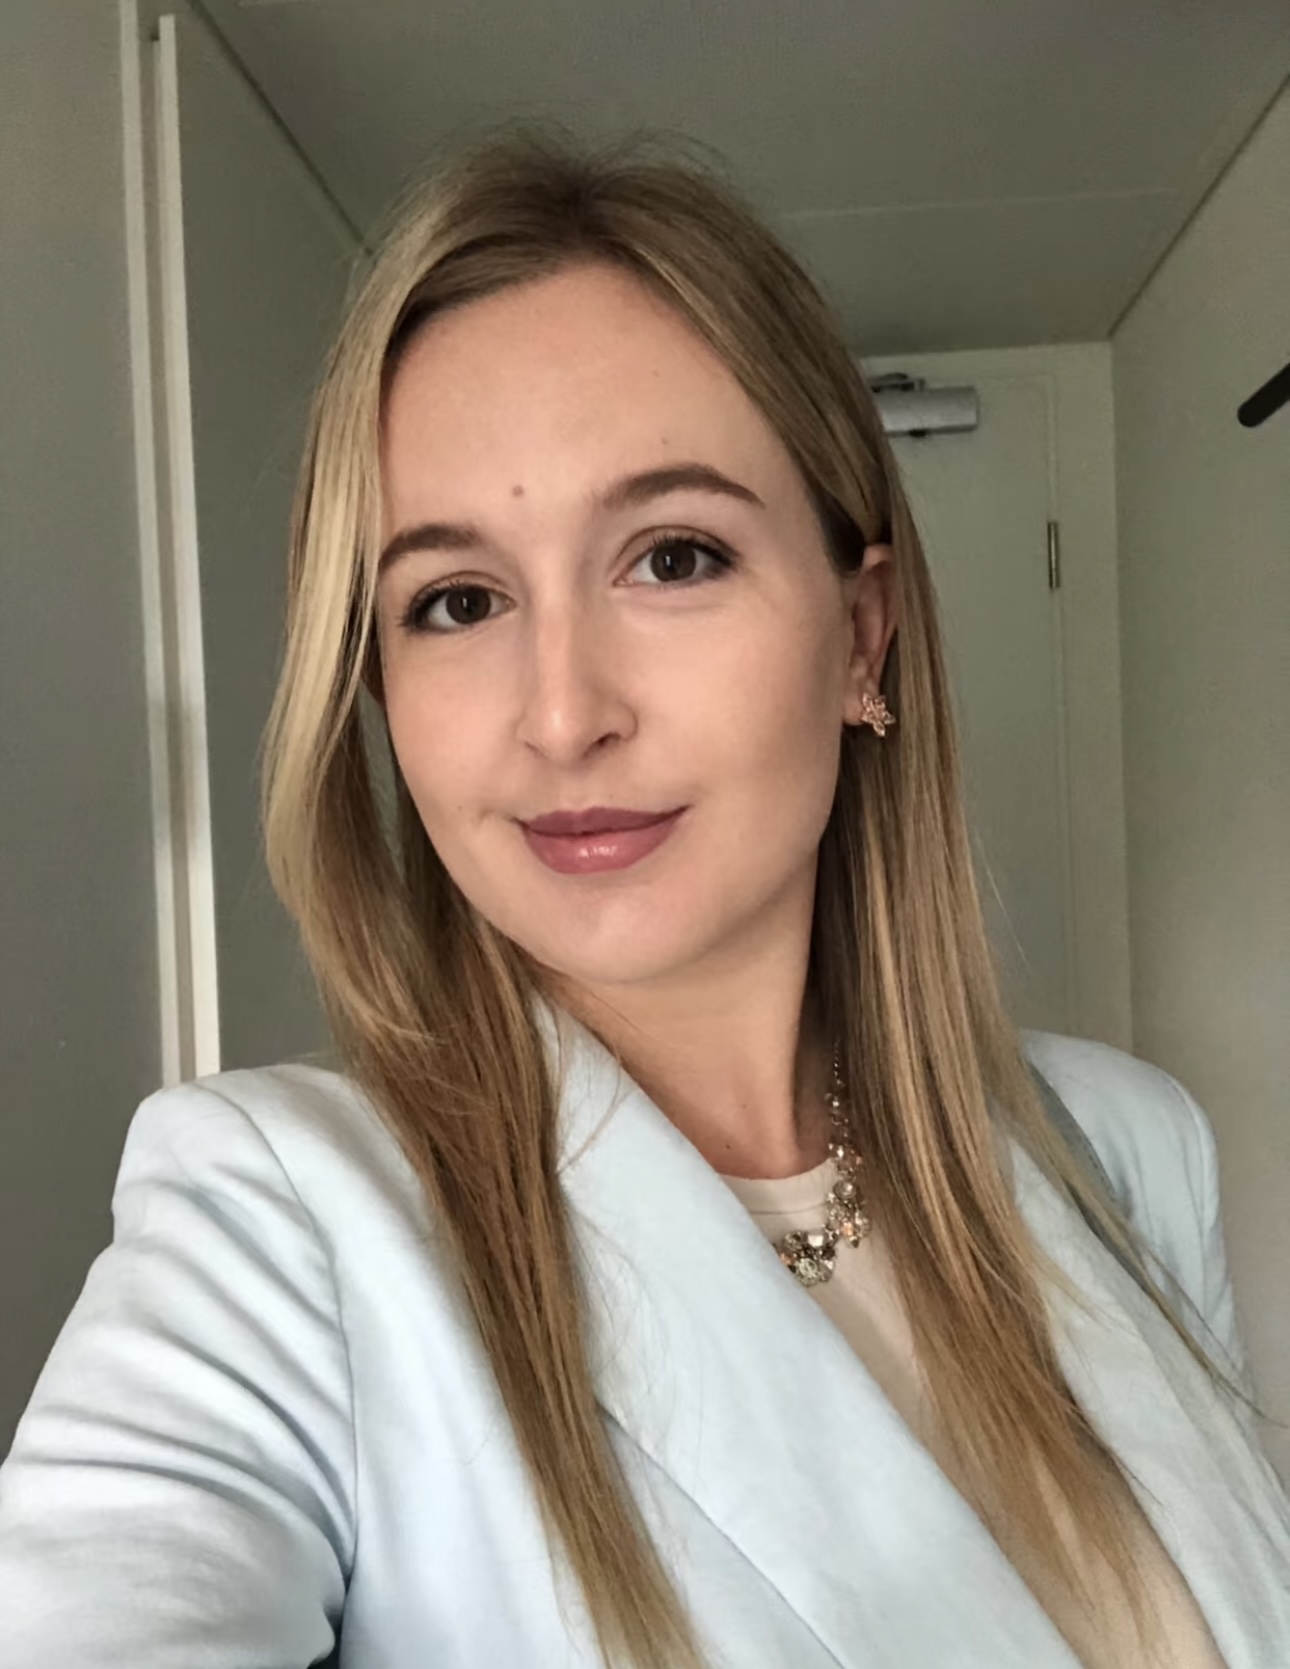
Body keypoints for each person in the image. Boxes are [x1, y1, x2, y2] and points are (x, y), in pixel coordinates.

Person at [0, 134, 1287, 1669]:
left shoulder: (1123, 1149)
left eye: (672, 557)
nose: (561, 715)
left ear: (861, 636)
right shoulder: (275, 1225)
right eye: (456, 599)